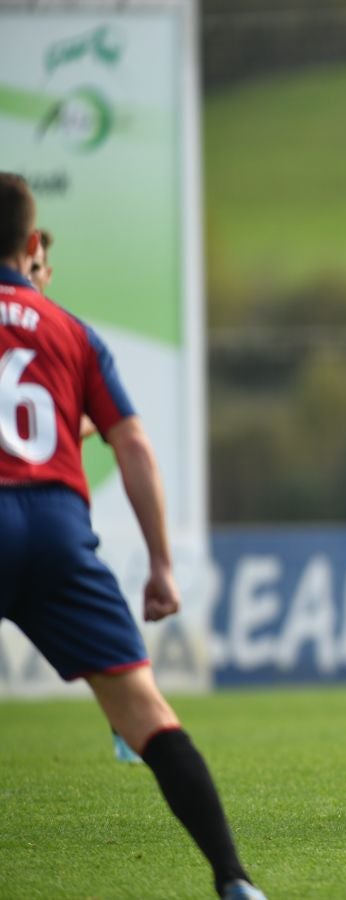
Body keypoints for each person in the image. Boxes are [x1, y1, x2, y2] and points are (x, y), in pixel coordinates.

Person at [0, 173, 266, 900]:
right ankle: (234, 880)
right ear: (31, 247)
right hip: (56, 527)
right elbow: (134, 445)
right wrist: (161, 565)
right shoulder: (68, 328)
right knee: (148, 716)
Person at [20, 226, 135, 762]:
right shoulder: (53, 329)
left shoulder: (55, 333)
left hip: (48, 508)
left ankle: (127, 722)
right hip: (42, 513)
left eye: (42, 270)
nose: (39, 277)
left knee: (103, 635)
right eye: (36, 267)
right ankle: (135, 722)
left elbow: (88, 417)